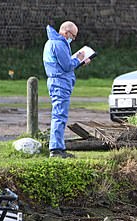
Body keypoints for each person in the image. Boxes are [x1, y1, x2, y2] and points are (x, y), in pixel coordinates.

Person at [43, 21, 90, 158]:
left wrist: (78, 62)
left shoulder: (51, 42)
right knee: (59, 115)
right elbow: (67, 65)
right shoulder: (58, 44)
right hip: (60, 83)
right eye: (73, 36)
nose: (73, 39)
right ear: (66, 32)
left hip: (57, 81)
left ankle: (58, 147)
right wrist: (79, 59)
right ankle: (56, 149)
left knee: (59, 114)